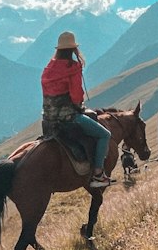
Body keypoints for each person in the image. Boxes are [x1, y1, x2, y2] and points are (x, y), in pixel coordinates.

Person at [40, 31, 112, 189]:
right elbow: (76, 95)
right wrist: (80, 106)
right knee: (104, 135)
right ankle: (98, 174)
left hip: (48, 119)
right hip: (69, 118)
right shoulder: (72, 67)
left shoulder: (48, 68)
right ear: (73, 49)